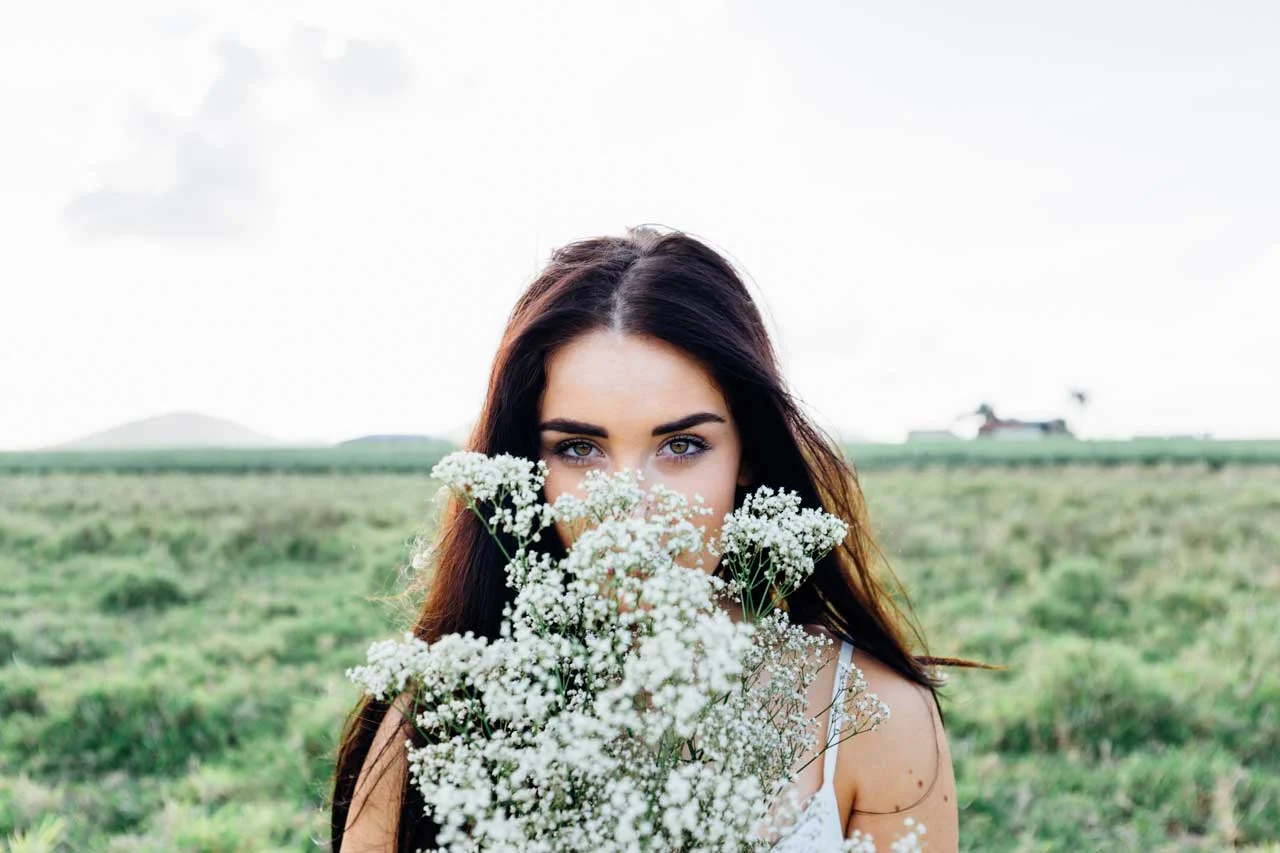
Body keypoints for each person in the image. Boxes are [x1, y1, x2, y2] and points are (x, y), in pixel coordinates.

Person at [330, 225, 960, 852]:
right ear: (525, 467)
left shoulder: (872, 716)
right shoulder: (443, 711)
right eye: (579, 448)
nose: (629, 507)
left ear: (748, 459)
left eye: (682, 446)